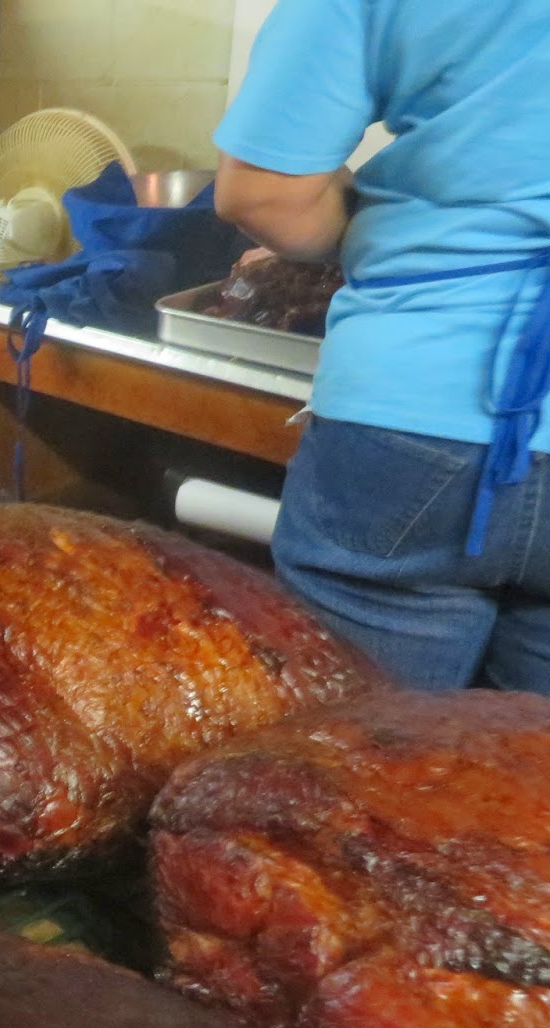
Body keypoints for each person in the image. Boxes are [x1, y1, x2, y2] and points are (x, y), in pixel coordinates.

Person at [215, 0, 550, 695]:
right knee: (529, 784)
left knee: (361, 771)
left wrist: (397, 244)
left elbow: (266, 195)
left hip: (413, 409)